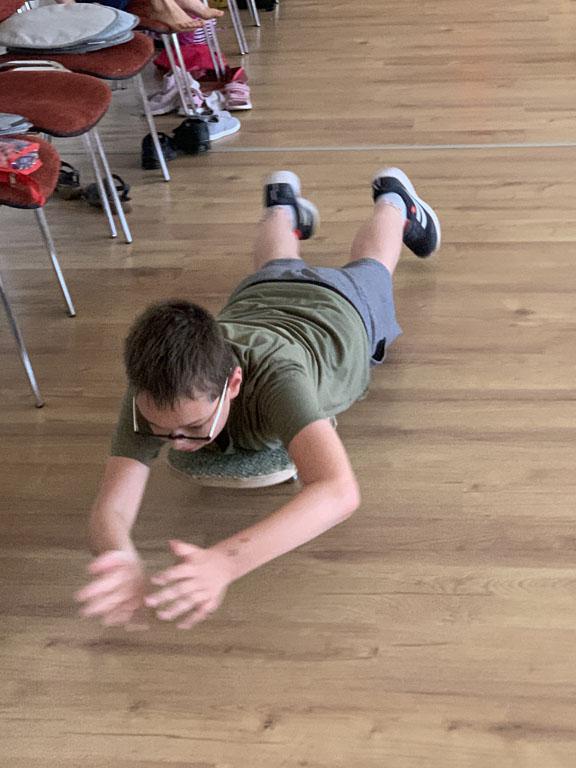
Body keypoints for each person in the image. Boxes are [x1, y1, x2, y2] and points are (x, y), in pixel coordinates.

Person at [75, 167, 441, 630]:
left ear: (233, 382)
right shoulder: (153, 383)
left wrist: (224, 563)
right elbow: (110, 508)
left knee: (373, 266)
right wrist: (118, 555)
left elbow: (338, 491)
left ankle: (393, 199)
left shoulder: (278, 378)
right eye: (162, 431)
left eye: (193, 427)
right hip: (261, 295)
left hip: (340, 308)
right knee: (273, 266)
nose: (178, 443)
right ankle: (281, 204)